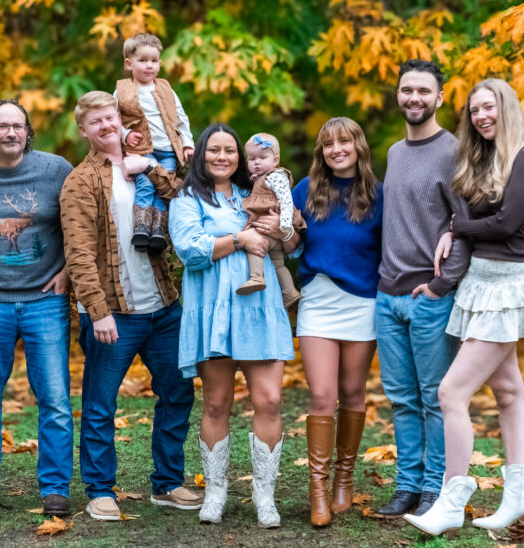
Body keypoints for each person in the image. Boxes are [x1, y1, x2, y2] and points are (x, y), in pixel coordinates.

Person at [404, 79, 524, 537]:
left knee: (451, 392)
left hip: (508, 287)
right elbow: (472, 219)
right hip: (480, 283)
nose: (481, 116)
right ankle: (518, 493)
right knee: (508, 393)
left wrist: (459, 228)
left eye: (489, 107)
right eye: (474, 111)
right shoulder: (485, 158)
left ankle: (452, 500)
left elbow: (507, 224)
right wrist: (457, 228)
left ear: (505, 108)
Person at [60, 91, 203, 521]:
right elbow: (79, 252)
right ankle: (101, 489)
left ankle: (168, 483)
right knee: (102, 403)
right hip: (112, 313)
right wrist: (97, 311)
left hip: (163, 306)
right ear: (83, 130)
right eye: (96, 122)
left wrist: (153, 166)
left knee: (177, 393)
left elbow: (184, 200)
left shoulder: (146, 164)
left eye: (111, 118)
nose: (106, 127)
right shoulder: (80, 181)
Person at [168, 124, 297, 529]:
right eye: (214, 150)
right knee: (217, 403)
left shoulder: (254, 192)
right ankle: (215, 491)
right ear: (201, 154)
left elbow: (290, 243)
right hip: (213, 310)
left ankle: (264, 494)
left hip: (260, 307)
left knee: (270, 400)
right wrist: (240, 240)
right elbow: (190, 251)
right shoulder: (187, 199)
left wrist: (281, 230)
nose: (222, 157)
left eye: (230, 151)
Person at [0, 100, 74, 518]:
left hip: (45, 299)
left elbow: (81, 222)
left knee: (56, 399)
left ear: (28, 132)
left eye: (18, 126)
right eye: (1, 126)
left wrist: (69, 272)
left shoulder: (56, 169)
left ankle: (55, 488)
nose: (10, 133)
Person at [373, 60, 471, 519]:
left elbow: (466, 224)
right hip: (386, 296)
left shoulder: (454, 152)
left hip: (428, 298)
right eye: (406, 90)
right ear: (398, 95)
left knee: (435, 397)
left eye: (423, 91)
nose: (414, 98)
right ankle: (408, 484)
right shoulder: (393, 152)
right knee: (401, 398)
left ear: (440, 97)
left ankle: (435, 488)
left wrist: (441, 283)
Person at [292, 117, 383, 527]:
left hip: (363, 302)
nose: (336, 150)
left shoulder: (379, 196)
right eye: (328, 144)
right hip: (318, 301)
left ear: (358, 146)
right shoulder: (304, 190)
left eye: (344, 141)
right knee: (322, 396)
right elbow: (287, 241)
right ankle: (318, 492)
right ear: (321, 152)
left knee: (352, 392)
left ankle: (343, 480)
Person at [115, 32, 195, 254]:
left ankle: (158, 230)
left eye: (154, 61)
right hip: (141, 150)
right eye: (143, 61)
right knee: (145, 185)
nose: (149, 66)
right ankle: (141, 229)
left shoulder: (165, 88)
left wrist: (187, 143)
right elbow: (113, 118)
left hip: (168, 150)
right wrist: (125, 135)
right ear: (129, 64)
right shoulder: (122, 90)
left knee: (164, 187)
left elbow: (180, 117)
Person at [235, 132, 305, 310]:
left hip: (271, 227)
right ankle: (290, 292)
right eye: (251, 158)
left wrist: (285, 225)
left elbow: (286, 200)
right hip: (273, 231)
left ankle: (256, 276)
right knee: (278, 264)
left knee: (254, 244)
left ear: (275, 160)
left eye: (262, 157)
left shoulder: (275, 176)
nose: (256, 162)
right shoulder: (259, 178)